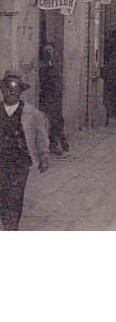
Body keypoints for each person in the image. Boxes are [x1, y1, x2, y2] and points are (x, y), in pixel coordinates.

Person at [1, 68, 49, 230]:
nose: (11, 91)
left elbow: (41, 137)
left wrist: (44, 157)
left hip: (20, 162)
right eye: (7, 87)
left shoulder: (31, 113)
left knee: (15, 194)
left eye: (16, 88)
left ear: (21, 91)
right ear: (2, 90)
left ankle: (11, 227)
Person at [39, 41, 68, 155]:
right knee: (52, 119)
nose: (49, 53)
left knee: (58, 118)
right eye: (47, 51)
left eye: (51, 50)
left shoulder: (53, 64)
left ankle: (60, 139)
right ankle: (55, 142)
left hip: (55, 96)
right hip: (47, 96)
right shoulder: (42, 66)